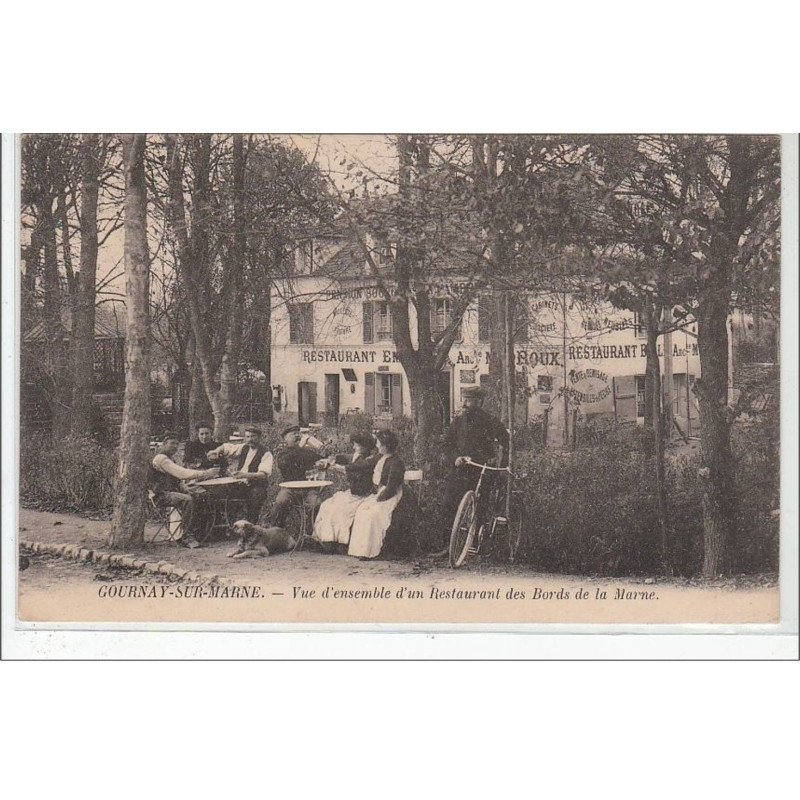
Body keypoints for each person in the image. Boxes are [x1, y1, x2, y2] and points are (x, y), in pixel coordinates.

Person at [439, 385, 509, 549]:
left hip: (482, 469)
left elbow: (507, 443)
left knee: (480, 506)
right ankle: (448, 546)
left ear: (480, 402)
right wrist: (455, 458)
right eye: (465, 399)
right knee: (449, 503)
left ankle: (477, 543)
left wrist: (502, 465)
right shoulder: (458, 421)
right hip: (460, 470)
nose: (465, 404)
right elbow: (447, 445)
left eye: (470, 400)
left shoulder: (491, 422)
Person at [148, 433, 219, 548]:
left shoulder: (170, 459)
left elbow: (178, 480)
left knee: (201, 495)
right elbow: (181, 473)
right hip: (159, 495)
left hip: (170, 493)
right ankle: (186, 537)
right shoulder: (161, 459)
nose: (175, 446)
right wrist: (205, 473)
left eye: (177, 444)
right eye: (172, 443)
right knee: (187, 500)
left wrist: (188, 489)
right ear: (164, 444)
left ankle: (199, 532)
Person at [348, 429, 405, 559]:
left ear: (386, 446)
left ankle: (373, 550)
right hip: (379, 493)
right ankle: (362, 550)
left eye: (379, 443)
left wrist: (380, 498)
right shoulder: (380, 457)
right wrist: (344, 466)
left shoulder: (396, 463)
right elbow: (363, 465)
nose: (377, 445)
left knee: (372, 514)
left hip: (391, 495)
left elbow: (392, 486)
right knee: (362, 511)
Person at [313, 432, 376, 549]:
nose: (354, 447)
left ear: (365, 447)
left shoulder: (368, 460)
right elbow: (347, 457)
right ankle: (326, 539)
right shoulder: (358, 456)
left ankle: (338, 541)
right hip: (352, 494)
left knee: (340, 510)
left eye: (356, 445)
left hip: (362, 496)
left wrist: (333, 466)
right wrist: (334, 458)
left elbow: (351, 468)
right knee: (326, 505)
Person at [206, 426, 274, 523]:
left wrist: (244, 475)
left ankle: (251, 525)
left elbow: (263, 475)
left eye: (253, 436)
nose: (250, 439)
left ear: (259, 437)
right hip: (241, 484)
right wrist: (216, 451)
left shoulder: (266, 453)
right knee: (220, 494)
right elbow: (226, 447)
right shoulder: (244, 447)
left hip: (256, 485)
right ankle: (227, 523)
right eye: (248, 437)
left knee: (255, 498)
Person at [269, 425, 327, 528]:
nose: (297, 436)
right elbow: (283, 464)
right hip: (290, 488)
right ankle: (276, 530)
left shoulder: (307, 452)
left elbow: (322, 459)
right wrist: (299, 447)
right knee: (281, 501)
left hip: (309, 488)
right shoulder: (283, 453)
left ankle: (310, 531)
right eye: (293, 434)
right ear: (285, 439)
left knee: (316, 504)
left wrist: (323, 460)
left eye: (298, 433)